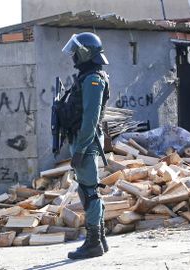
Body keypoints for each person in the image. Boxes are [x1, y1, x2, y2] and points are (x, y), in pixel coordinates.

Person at [61, 32, 110, 260]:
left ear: (85, 52)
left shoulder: (93, 79)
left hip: (87, 142)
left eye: (76, 51)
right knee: (88, 189)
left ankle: (93, 243)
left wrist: (80, 149)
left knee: (89, 192)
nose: (73, 56)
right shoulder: (87, 76)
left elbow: (90, 117)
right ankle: (100, 239)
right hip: (85, 140)